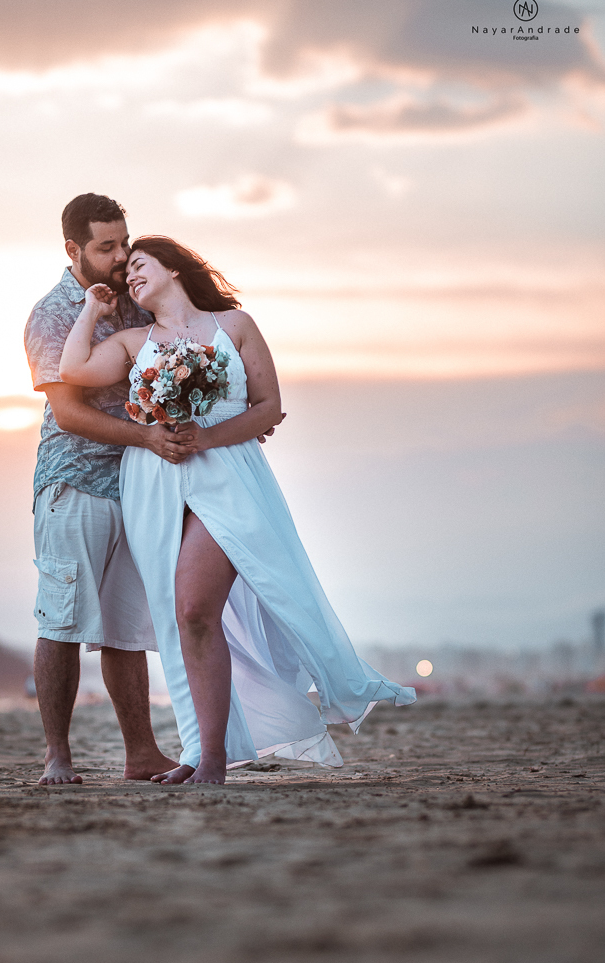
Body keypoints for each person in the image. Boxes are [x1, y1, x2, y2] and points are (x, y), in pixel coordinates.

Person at [59, 236, 416, 785]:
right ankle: (202, 750)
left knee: (195, 607)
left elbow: (269, 406)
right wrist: (90, 308)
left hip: (226, 473)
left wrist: (207, 437)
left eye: (140, 265)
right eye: (127, 274)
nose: (130, 277)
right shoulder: (133, 342)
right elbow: (74, 370)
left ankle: (213, 759)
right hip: (152, 481)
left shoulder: (235, 326)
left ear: (174, 268)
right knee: (177, 615)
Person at [25, 194, 191, 785]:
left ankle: (141, 754)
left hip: (139, 485)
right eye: (106, 247)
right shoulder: (51, 314)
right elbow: (69, 413)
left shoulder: (137, 299)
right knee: (63, 620)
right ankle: (58, 755)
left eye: (124, 242)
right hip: (74, 482)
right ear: (74, 249)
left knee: (127, 627)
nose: (122, 256)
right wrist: (145, 438)